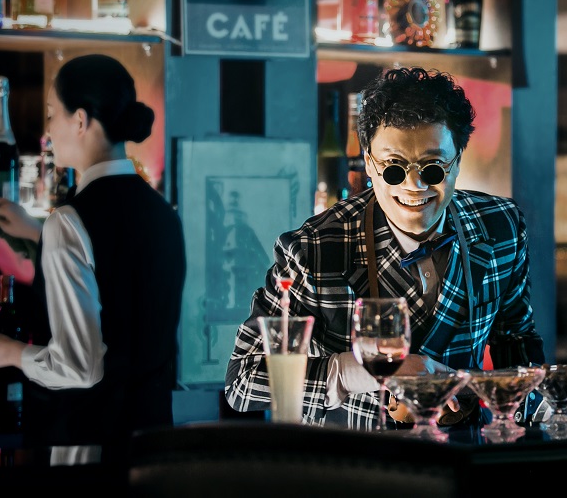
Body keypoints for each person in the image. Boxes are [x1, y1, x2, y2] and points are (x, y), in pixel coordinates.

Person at [225, 67, 545, 429]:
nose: (414, 186)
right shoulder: (313, 249)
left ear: (458, 160)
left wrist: (528, 413)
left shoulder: (500, 226)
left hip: (465, 450)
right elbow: (244, 380)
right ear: (368, 163)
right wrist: (370, 371)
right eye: (394, 168)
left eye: (433, 168)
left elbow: (517, 341)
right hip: (357, 457)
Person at [0, 54, 187, 464]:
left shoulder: (69, 222)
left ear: (81, 120)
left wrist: (7, 351)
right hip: (155, 449)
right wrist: (39, 236)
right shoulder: (163, 213)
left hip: (88, 452)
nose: (48, 129)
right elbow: (121, 279)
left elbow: (79, 368)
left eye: (52, 114)